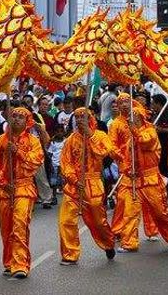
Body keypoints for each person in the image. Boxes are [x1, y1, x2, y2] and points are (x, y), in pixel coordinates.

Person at [108, 94, 168, 252]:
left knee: (160, 211)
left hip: (150, 178)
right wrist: (127, 169)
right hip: (132, 179)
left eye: (136, 117)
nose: (133, 119)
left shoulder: (150, 131)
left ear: (141, 117)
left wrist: (134, 130)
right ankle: (129, 243)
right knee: (129, 211)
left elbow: (146, 142)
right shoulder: (120, 128)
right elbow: (124, 155)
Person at [0, 107, 44, 278]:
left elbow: (36, 161)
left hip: (24, 187)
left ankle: (20, 264)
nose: (17, 119)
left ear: (27, 121)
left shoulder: (33, 141)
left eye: (21, 117)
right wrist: (3, 183)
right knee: (6, 228)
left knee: (20, 225)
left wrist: (18, 152)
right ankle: (9, 262)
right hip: (5, 190)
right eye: (14, 116)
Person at [58, 108, 117, 265]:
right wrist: (74, 179)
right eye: (76, 117)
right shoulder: (71, 139)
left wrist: (90, 136)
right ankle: (70, 254)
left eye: (82, 116)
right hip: (74, 185)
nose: (79, 120)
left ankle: (108, 243)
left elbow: (105, 151)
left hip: (93, 184)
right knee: (66, 220)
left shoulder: (101, 135)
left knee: (98, 222)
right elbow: (66, 162)